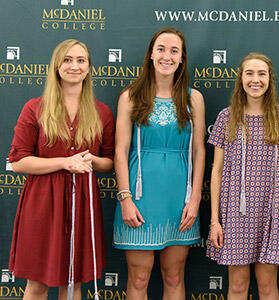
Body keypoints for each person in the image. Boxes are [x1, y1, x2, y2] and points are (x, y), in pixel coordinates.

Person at [8, 39, 115, 300]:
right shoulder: (35, 108)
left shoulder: (101, 112)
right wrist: (64, 162)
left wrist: (89, 160)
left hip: (83, 203)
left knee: (72, 283)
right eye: (67, 59)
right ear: (56, 66)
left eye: (81, 60)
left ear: (89, 68)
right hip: (42, 202)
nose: (74, 66)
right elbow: (18, 161)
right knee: (37, 284)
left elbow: (110, 162)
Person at [112, 27, 205, 300]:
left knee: (174, 275)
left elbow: (199, 151)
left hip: (181, 198)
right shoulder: (130, 96)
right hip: (139, 196)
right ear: (151, 54)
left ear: (182, 58)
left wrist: (196, 198)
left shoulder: (193, 98)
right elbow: (120, 151)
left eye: (174, 51)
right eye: (161, 49)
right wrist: (125, 198)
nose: (167, 56)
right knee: (139, 277)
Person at [207, 52, 279, 300]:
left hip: (272, 212)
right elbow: (217, 170)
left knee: (267, 286)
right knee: (237, 286)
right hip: (235, 213)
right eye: (250, 73)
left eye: (262, 74)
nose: (256, 80)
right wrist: (215, 220)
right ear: (240, 78)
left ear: (270, 79)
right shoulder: (226, 116)